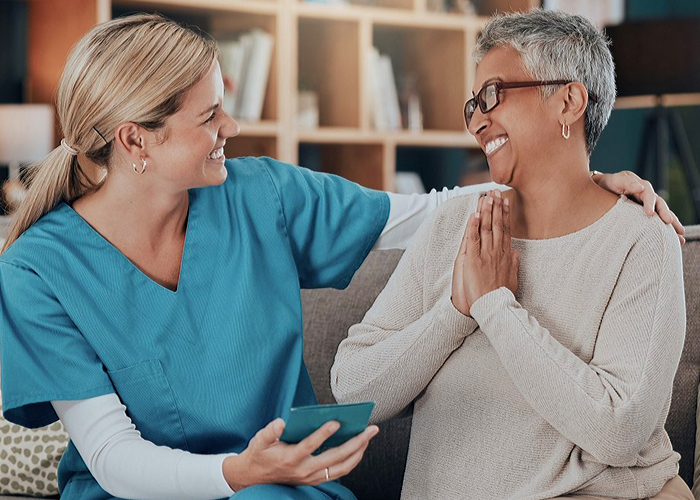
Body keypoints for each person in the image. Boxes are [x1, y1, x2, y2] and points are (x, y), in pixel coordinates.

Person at [0, 12, 682, 500]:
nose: (231, 129)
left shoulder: (260, 194)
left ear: (570, 101)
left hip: (288, 486)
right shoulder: (38, 270)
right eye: (209, 117)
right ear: (135, 140)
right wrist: (237, 475)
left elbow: (422, 212)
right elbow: (116, 461)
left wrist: (583, 184)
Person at [331, 9, 693, 500]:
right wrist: (457, 312)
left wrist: (496, 307)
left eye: (493, 95)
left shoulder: (640, 242)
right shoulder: (452, 227)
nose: (478, 120)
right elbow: (351, 389)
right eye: (473, 105)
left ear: (569, 101)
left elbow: (619, 430)